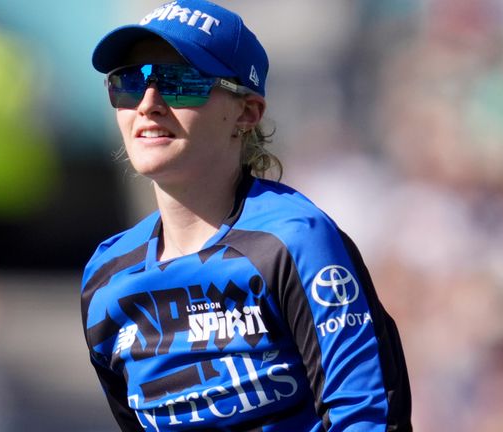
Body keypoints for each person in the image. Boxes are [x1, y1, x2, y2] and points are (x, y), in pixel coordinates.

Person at [80, 1, 412, 430]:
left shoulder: (294, 241)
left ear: (246, 113)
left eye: (179, 82)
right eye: (128, 83)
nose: (148, 104)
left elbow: (367, 417)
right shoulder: (106, 276)